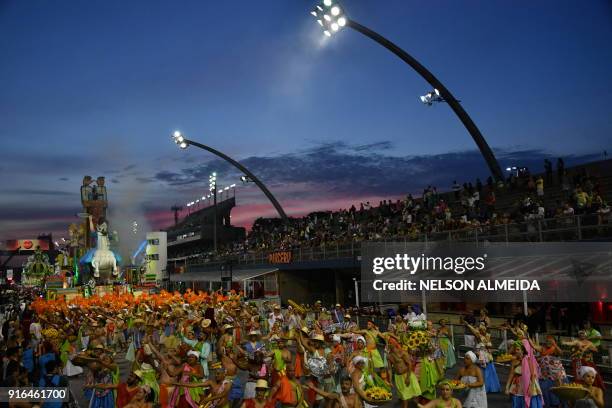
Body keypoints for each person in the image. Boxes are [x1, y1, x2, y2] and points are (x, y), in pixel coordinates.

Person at [505, 341, 543, 408]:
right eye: (515, 349)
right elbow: (511, 375)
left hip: (529, 384)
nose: (516, 351)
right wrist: (507, 387)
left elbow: (533, 375)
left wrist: (531, 387)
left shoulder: (528, 359)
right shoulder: (514, 361)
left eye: (518, 349)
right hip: (518, 385)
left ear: (522, 350)